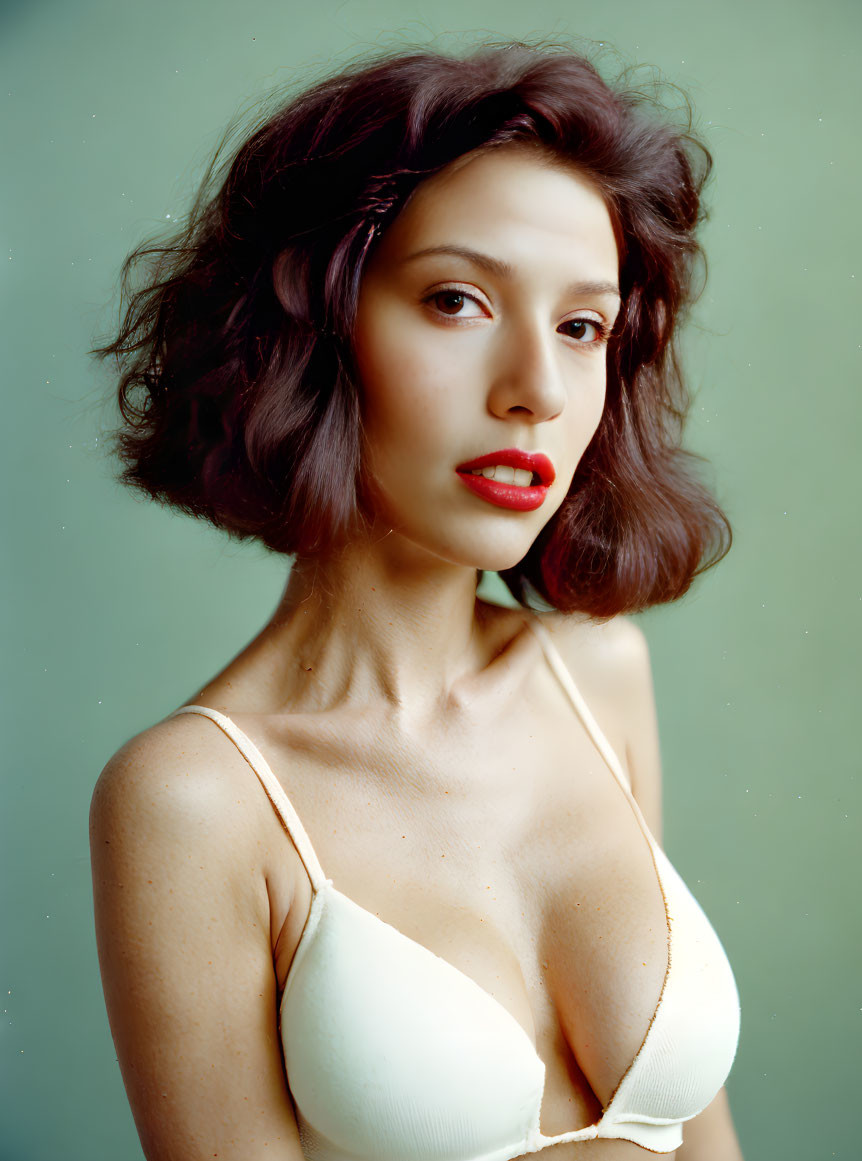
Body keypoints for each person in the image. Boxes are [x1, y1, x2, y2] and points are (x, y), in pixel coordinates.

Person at [89, 40, 743, 1161]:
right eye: (458, 301)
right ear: (314, 329)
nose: (536, 390)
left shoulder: (598, 671)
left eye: (582, 326)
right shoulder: (196, 803)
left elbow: (706, 1139)